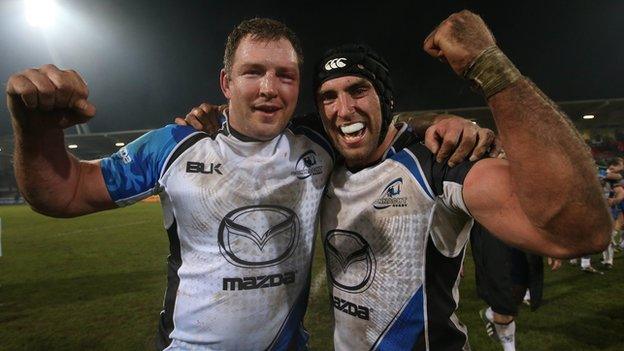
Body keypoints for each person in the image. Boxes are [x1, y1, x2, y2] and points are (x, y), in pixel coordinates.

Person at [6, 18, 491, 351]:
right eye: (253, 72)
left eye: (285, 75)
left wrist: (443, 122)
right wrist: (34, 128)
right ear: (226, 82)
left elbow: (374, 123)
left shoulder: (317, 141)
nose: (268, 87)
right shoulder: (175, 145)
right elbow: (63, 193)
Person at [312, 10, 610, 350]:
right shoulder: (323, 163)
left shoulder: (439, 164)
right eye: (328, 97)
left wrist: (489, 67)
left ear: (386, 99)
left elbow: (582, 230)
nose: (344, 109)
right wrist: (433, 118)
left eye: (358, 90)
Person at [471, 223, 561, 351]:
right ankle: (509, 347)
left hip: (521, 234)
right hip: (492, 234)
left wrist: (552, 242)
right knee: (504, 305)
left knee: (517, 294)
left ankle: (490, 313)